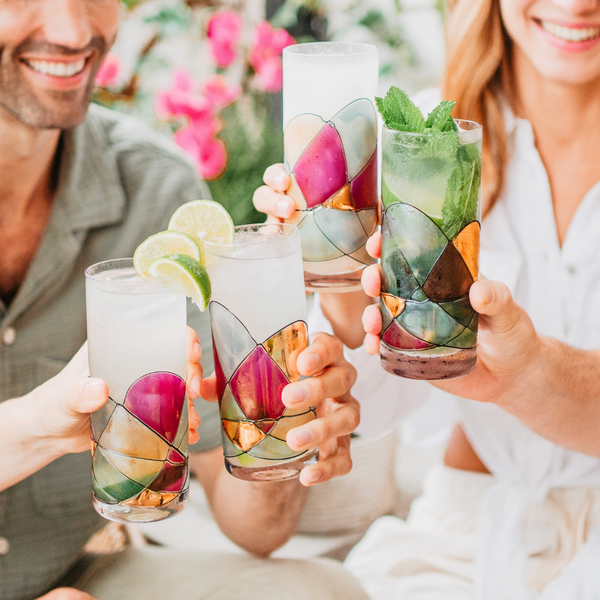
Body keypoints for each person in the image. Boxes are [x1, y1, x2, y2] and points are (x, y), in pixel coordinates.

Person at [0, 2, 367, 599]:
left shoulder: (155, 192)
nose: (71, 31)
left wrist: (284, 434)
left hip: (75, 579)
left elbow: (254, 527)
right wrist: (35, 430)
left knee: (320, 590)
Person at [254, 0, 600, 596]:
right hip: (463, 532)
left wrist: (531, 373)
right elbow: (385, 396)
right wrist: (344, 274)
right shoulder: (427, 138)